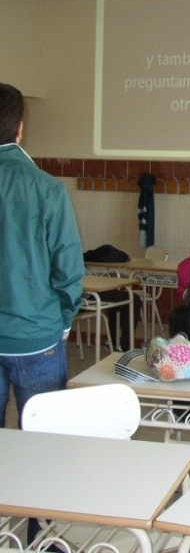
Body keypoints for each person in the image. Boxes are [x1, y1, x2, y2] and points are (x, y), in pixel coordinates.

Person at [0, 83, 85, 428]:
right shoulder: (47, 188)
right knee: (42, 446)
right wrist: (63, 321)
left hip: (33, 332)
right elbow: (68, 269)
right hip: (36, 335)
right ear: (20, 128)